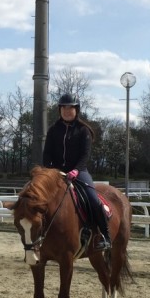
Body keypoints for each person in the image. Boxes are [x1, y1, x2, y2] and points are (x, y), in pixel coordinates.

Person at [42, 93, 111, 251]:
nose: (67, 111)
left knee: (94, 200)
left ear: (76, 110)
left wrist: (75, 170)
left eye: (70, 108)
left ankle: (106, 237)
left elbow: (85, 156)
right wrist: (50, 170)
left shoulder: (83, 130)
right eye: (64, 108)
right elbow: (47, 153)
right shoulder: (53, 130)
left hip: (79, 172)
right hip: (57, 173)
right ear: (60, 110)